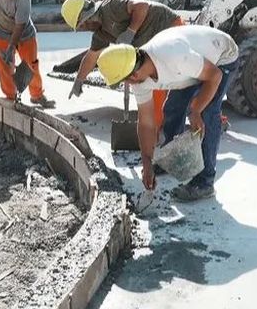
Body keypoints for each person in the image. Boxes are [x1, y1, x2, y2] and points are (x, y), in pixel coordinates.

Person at [96, 26, 239, 202]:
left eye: (123, 80)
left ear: (132, 75)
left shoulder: (174, 56)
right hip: (194, 65)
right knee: (172, 108)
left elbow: (214, 76)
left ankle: (205, 182)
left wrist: (196, 110)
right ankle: (173, 159)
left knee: (208, 112)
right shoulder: (139, 78)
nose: (126, 84)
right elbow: (146, 123)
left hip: (222, 56)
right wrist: (147, 162)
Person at [61, 0, 182, 124]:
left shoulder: (112, 6)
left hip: (169, 29)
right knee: (151, 86)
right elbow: (91, 56)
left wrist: (130, 31)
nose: (83, 30)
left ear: (86, 18)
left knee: (165, 86)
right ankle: (157, 128)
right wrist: (79, 80)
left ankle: (159, 128)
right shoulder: (100, 32)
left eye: (81, 26)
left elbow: (142, 7)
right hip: (153, 47)